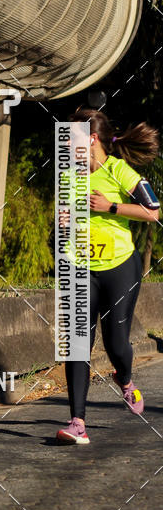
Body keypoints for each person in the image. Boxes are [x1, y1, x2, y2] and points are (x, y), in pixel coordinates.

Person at [57, 108, 160, 444]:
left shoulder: (119, 171)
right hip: (80, 266)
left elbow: (153, 211)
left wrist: (111, 207)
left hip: (119, 266)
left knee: (116, 342)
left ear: (92, 139)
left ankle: (126, 380)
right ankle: (77, 423)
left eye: (72, 138)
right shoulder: (69, 175)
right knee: (77, 344)